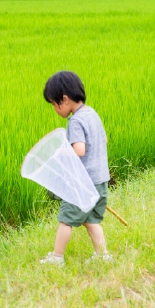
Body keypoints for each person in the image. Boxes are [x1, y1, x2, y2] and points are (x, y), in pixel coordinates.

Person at [40, 71, 112, 266]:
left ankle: (56, 258)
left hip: (83, 183)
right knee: (91, 220)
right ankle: (103, 256)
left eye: (54, 105)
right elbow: (103, 140)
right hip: (100, 180)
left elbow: (79, 150)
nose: (55, 109)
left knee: (65, 220)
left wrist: (60, 152)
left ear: (64, 99)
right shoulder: (92, 113)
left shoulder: (76, 121)